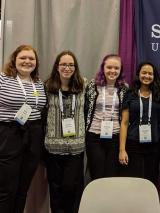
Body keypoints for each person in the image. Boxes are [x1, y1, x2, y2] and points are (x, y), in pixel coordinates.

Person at [0, 44, 47, 213]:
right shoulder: (3, 79)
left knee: (23, 188)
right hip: (10, 133)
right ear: (14, 60)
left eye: (31, 58)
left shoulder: (39, 83)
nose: (27, 61)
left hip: (34, 135)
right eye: (23, 58)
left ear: (36, 62)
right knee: (6, 188)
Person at [44, 51, 85, 213]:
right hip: (53, 148)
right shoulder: (47, 87)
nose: (67, 68)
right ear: (57, 66)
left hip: (76, 148)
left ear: (75, 67)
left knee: (71, 188)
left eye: (70, 65)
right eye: (63, 64)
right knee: (55, 188)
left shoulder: (83, 85)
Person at [119, 62, 160, 185]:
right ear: (138, 74)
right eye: (144, 73)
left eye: (150, 74)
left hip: (153, 145)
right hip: (133, 145)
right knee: (134, 181)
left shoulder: (159, 95)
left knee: (151, 182)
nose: (147, 76)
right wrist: (122, 150)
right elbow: (124, 122)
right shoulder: (130, 94)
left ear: (154, 76)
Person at [85, 54, 128, 179]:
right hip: (94, 137)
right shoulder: (92, 86)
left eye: (116, 68)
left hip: (115, 137)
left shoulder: (124, 88)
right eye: (109, 67)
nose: (112, 71)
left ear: (120, 70)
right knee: (97, 175)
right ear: (103, 68)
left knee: (111, 175)